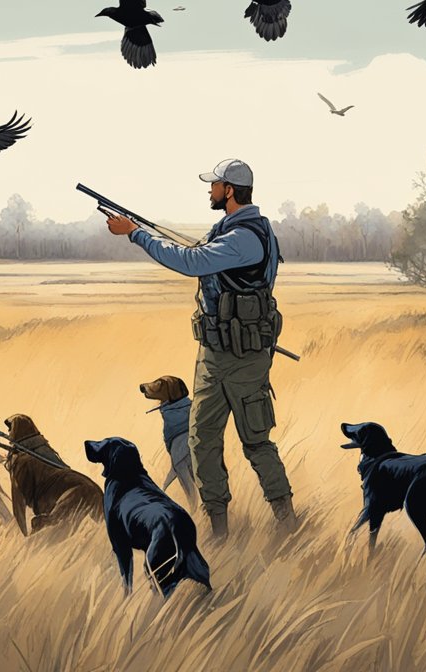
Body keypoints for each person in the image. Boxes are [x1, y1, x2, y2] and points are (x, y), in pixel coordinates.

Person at [105, 159, 295, 539]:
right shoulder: (228, 230)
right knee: (201, 441)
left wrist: (135, 234)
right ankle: (218, 529)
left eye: (214, 185)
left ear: (229, 190)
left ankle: (288, 522)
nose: (209, 191)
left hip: (242, 359)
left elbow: (192, 263)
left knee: (255, 441)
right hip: (214, 354)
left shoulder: (245, 236)